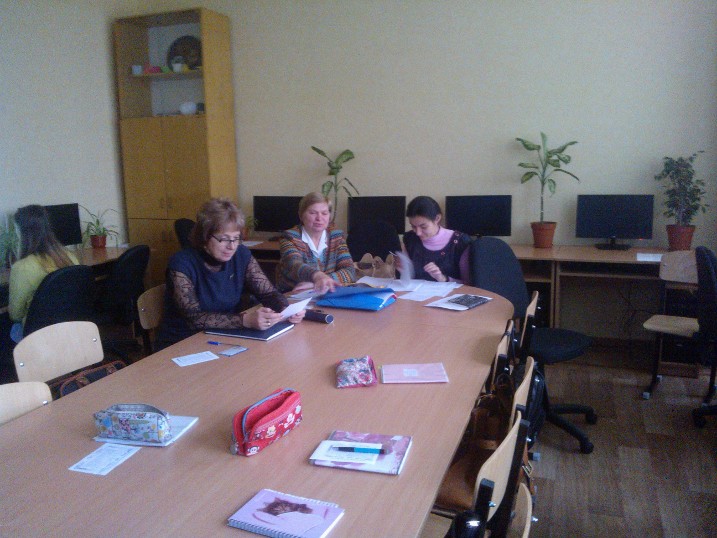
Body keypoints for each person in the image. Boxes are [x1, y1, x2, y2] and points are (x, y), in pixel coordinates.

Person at [155, 198, 305, 350]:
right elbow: (194, 318)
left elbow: (268, 294)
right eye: (224, 239)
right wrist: (246, 320)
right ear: (204, 236)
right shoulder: (181, 263)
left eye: (236, 238)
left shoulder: (241, 255)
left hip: (224, 336)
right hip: (182, 342)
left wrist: (286, 310)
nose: (232, 246)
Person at [8, 205, 79, 342]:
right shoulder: (70, 257)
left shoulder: (21, 268)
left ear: (23, 234)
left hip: (38, 334)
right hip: (69, 327)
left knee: (11, 327)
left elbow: (15, 315)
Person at [275, 192, 356, 293]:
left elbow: (349, 271)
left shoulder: (336, 236)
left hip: (325, 293)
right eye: (313, 213)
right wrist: (317, 277)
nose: (319, 218)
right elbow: (294, 265)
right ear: (301, 215)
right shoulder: (289, 237)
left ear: (329, 216)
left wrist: (318, 283)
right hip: (292, 294)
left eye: (324, 213)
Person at [401, 196, 471, 283]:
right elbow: (408, 277)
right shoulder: (410, 238)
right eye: (413, 227)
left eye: (423, 227)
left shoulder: (460, 242)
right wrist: (402, 269)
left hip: (452, 292)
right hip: (415, 291)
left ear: (437, 218)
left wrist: (442, 278)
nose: (418, 233)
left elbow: (469, 284)